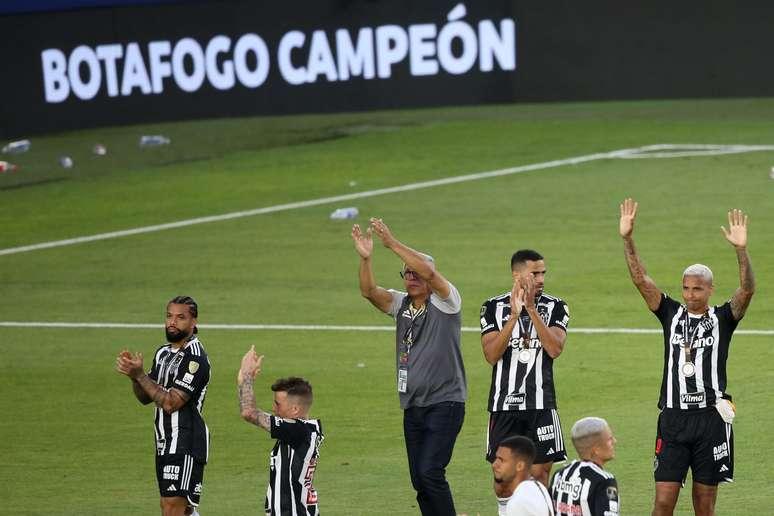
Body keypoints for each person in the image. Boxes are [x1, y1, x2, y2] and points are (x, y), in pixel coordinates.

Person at [619, 199, 754, 516]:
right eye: (686, 288)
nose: (690, 295)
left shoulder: (724, 318)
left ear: (710, 289)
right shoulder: (670, 313)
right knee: (663, 502)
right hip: (673, 420)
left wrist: (741, 250)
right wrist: (627, 238)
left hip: (711, 419)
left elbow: (747, 290)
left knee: (704, 505)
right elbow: (641, 278)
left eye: (697, 289)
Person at [352, 217, 467, 516]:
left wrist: (391, 243)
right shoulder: (402, 305)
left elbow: (429, 270)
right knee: (419, 479)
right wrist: (366, 259)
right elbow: (369, 292)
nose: (412, 277)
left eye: (417, 273)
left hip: (445, 403)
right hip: (413, 405)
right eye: (407, 273)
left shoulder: (447, 302)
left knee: (430, 471)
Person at [480, 249, 570, 487]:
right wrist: (513, 317)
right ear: (516, 275)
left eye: (543, 273)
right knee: (504, 480)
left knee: (540, 477)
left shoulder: (556, 306)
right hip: (503, 407)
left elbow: (554, 349)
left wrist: (531, 309)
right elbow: (491, 355)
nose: (541, 279)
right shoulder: (492, 307)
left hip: (541, 406)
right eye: (535, 274)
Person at [115, 295, 211, 516]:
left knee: (172, 507)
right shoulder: (163, 353)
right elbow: (146, 397)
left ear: (194, 322)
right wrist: (135, 377)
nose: (172, 322)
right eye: (169, 316)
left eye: (180, 317)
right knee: (177, 508)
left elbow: (170, 403)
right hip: (165, 440)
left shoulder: (196, 359)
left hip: (186, 439)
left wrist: (141, 375)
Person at [237, 346, 324, 516]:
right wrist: (242, 382)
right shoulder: (305, 430)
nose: (273, 408)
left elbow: (249, 413)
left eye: (278, 404)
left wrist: (247, 375)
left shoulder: (297, 432)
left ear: (295, 410)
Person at [550, 417, 619, 516]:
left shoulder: (559, 475)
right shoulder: (604, 480)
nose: (614, 441)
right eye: (609, 439)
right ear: (596, 450)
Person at [492, 435, 554, 516]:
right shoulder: (537, 486)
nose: (495, 465)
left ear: (519, 466)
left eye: (501, 460)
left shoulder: (518, 502)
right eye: (496, 458)